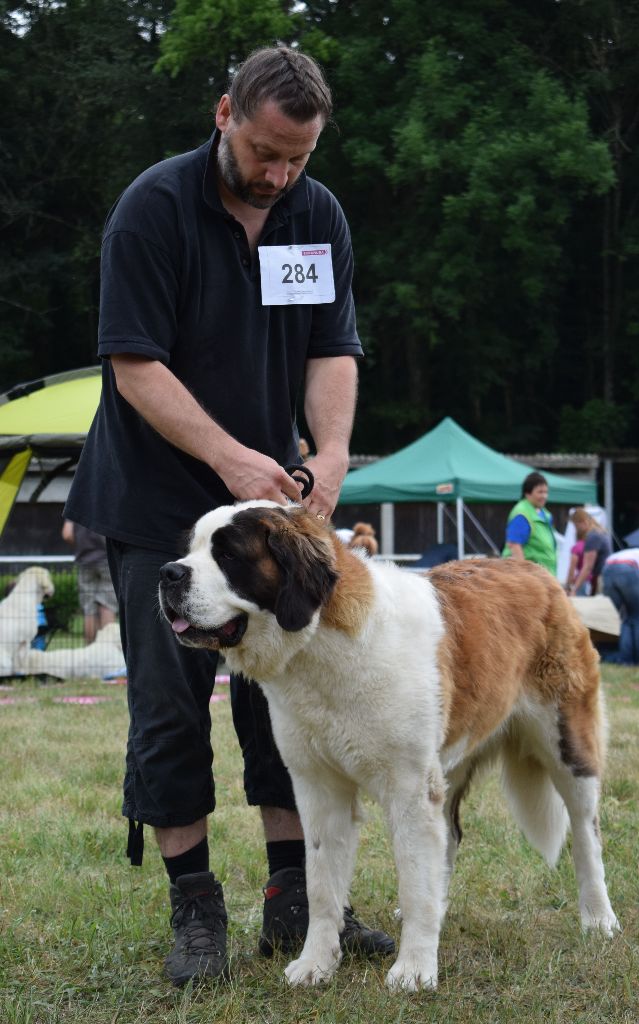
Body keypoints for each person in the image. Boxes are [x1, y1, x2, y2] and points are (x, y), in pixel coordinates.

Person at [64, 46, 394, 986]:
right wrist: (225, 454)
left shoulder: (315, 214)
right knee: (172, 713)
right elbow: (135, 366)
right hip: (157, 505)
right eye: (264, 152)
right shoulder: (153, 210)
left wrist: (328, 454)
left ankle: (294, 905)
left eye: (299, 157)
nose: (279, 174)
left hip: (268, 516)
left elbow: (333, 348)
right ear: (223, 114)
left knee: (285, 704)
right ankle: (195, 908)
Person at [61, 520, 117, 642]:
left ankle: (91, 650)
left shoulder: (77, 500)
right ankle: (109, 650)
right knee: (107, 605)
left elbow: (67, 534)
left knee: (89, 609)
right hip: (107, 559)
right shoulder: (108, 501)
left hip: (84, 560)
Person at [602, 548, 639, 665]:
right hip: (627, 570)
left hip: (607, 570)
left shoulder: (638, 553)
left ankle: (626, 660)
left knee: (626, 618)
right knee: (637, 618)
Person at [502, 472, 557, 575]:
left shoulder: (545, 514)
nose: (544, 496)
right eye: (540, 492)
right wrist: (524, 576)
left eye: (546, 492)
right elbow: (514, 545)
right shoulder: (522, 514)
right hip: (530, 578)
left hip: (545, 576)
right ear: (527, 493)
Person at [566, 508, 612, 597]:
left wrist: (574, 589)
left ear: (583, 522)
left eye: (576, 526)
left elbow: (587, 567)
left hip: (602, 577)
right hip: (605, 576)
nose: (576, 530)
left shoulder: (592, 536)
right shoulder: (600, 533)